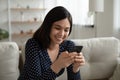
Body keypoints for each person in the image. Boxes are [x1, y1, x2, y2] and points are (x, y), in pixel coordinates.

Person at [18, 6, 85, 80]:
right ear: (48, 26)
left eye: (66, 30)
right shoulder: (33, 45)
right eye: (57, 28)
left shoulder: (68, 46)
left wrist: (75, 69)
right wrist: (58, 65)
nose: (62, 34)